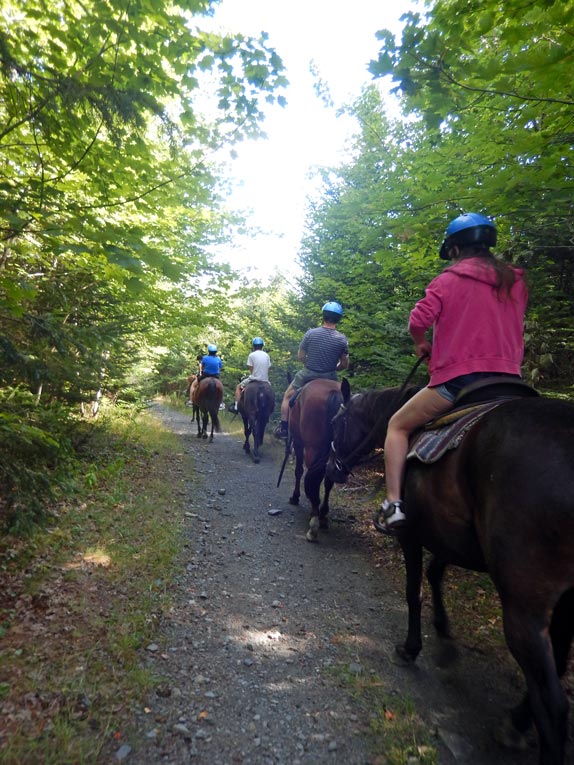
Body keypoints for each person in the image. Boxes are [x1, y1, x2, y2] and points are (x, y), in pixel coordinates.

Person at [378, 212, 528, 534]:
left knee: (397, 426)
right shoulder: (516, 282)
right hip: (510, 382)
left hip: (460, 382)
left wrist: (422, 343)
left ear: (455, 250)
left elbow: (417, 321)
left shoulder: (447, 281)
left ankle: (392, 504)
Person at [274, 301, 349, 439]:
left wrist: (308, 363)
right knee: (345, 402)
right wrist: (335, 368)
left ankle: (284, 427)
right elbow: (344, 364)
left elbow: (301, 355)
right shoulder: (342, 339)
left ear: (323, 316)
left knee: (287, 396)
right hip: (330, 376)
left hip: (307, 373)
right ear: (338, 318)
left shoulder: (310, 333)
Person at [231, 337, 272, 411]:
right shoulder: (267, 355)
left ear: (253, 346)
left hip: (254, 379)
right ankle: (272, 407)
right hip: (265, 380)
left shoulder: (251, 355)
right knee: (271, 391)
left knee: (238, 387)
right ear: (262, 346)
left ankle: (236, 407)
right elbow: (267, 369)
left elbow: (251, 370)